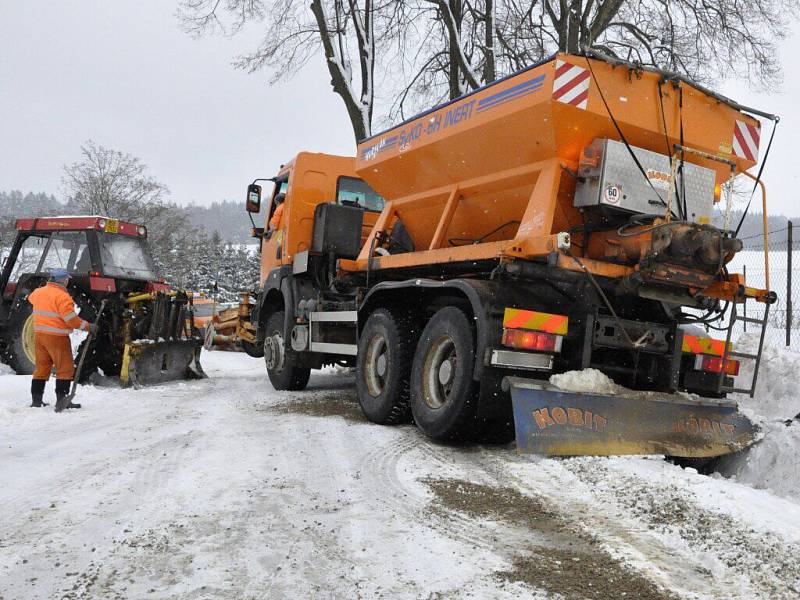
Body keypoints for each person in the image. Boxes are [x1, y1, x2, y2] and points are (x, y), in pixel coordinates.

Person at [27, 268, 95, 412]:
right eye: (67, 279)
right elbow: (71, 321)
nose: (67, 281)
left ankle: (36, 401)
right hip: (57, 338)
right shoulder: (63, 297)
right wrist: (89, 327)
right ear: (63, 280)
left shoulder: (38, 293)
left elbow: (31, 299)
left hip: (40, 336)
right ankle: (62, 401)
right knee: (65, 369)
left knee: (41, 368)